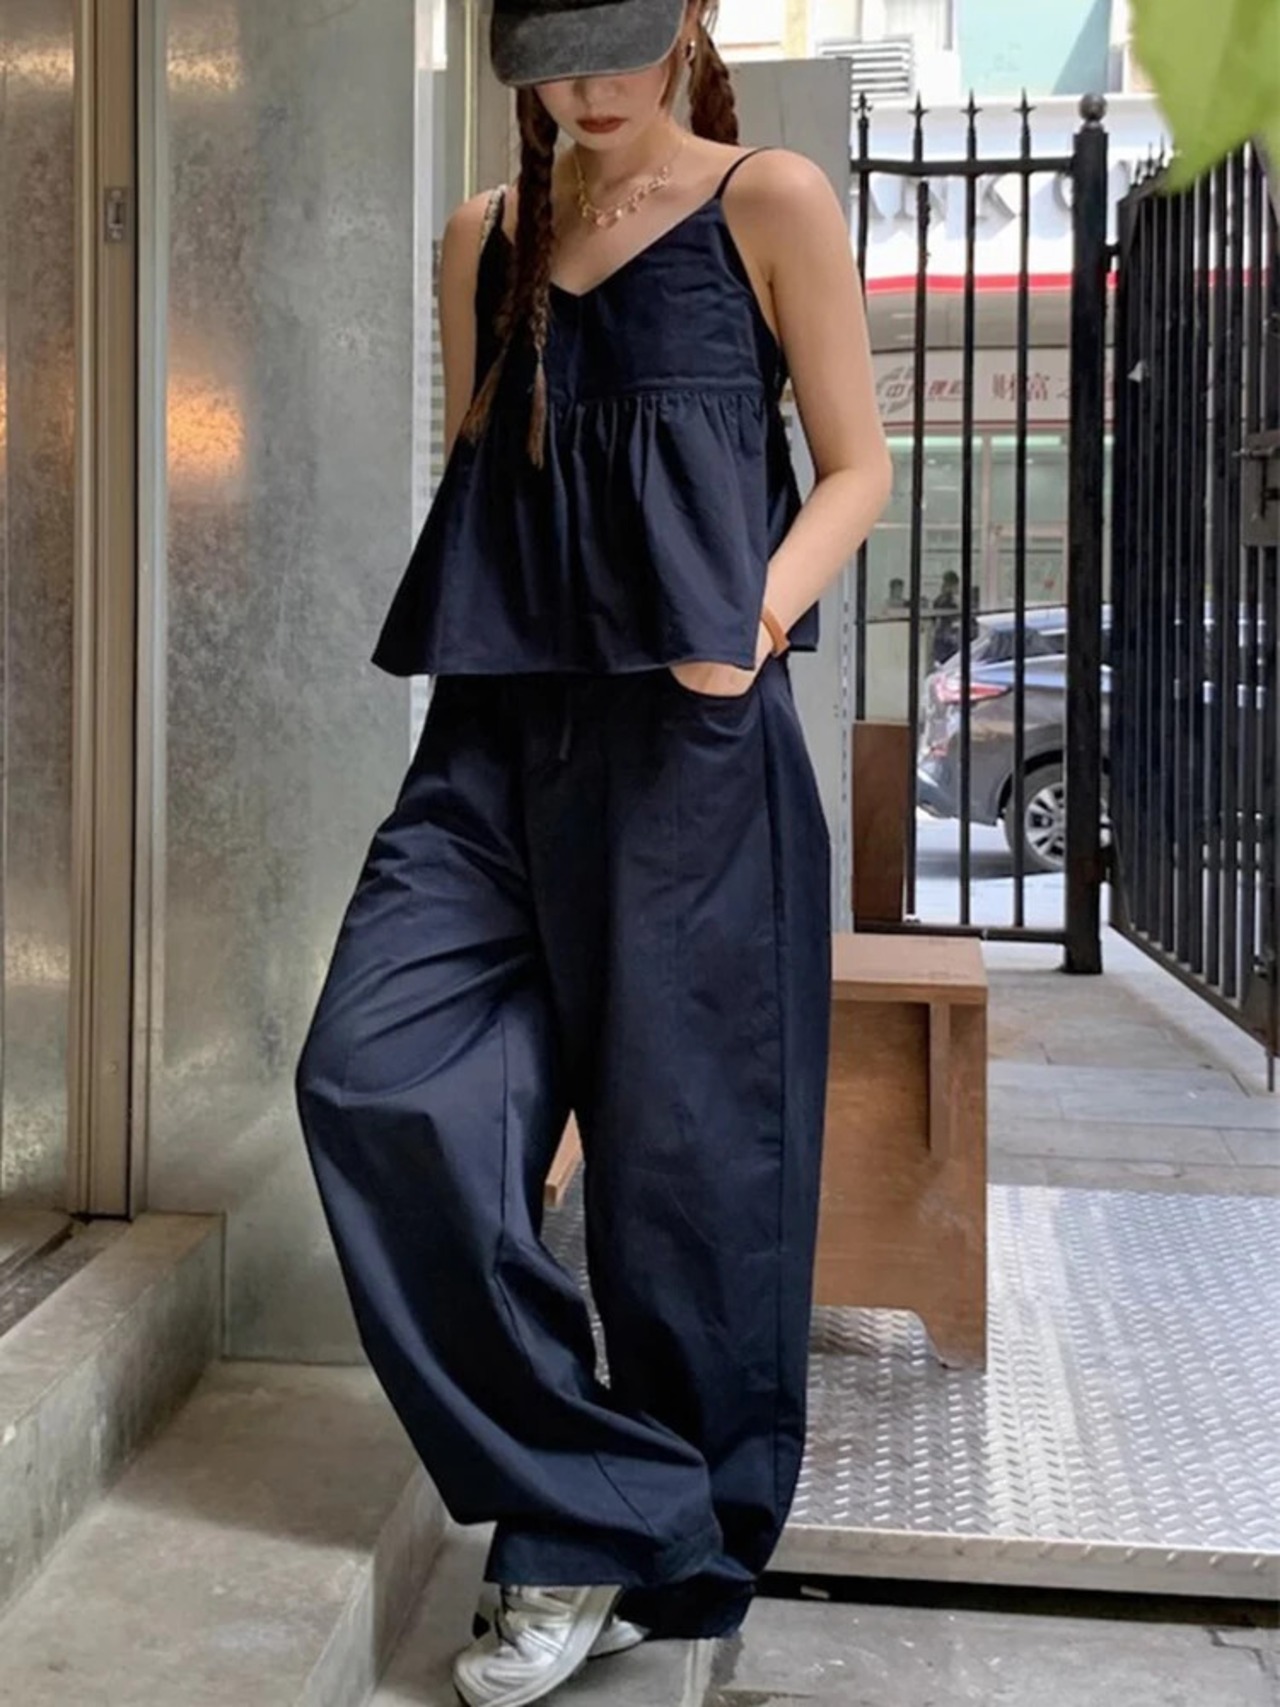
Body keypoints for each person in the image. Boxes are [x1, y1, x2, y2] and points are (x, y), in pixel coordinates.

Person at [293, 4, 891, 1703]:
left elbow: (857, 469)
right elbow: (489, 475)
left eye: (621, 42)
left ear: (688, 22)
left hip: (691, 752)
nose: (588, 85)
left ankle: (619, 1556)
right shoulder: (482, 237)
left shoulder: (768, 200)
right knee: (376, 1080)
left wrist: (748, 625)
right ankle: (611, 1502)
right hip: (492, 749)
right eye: (554, 53)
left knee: (690, 1182)